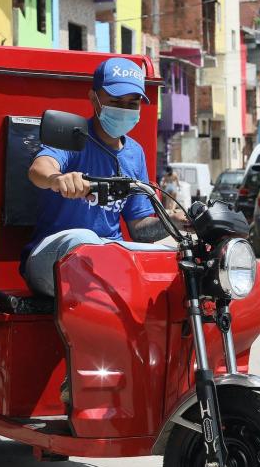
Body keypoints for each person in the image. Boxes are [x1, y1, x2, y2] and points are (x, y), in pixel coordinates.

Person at [23, 57, 172, 298]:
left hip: (107, 259)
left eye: (132, 104)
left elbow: (139, 228)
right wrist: (56, 179)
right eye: (115, 101)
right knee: (87, 241)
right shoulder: (74, 136)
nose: (124, 110)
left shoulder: (135, 153)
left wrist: (176, 222)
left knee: (167, 258)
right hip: (51, 259)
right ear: (94, 98)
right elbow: (39, 168)